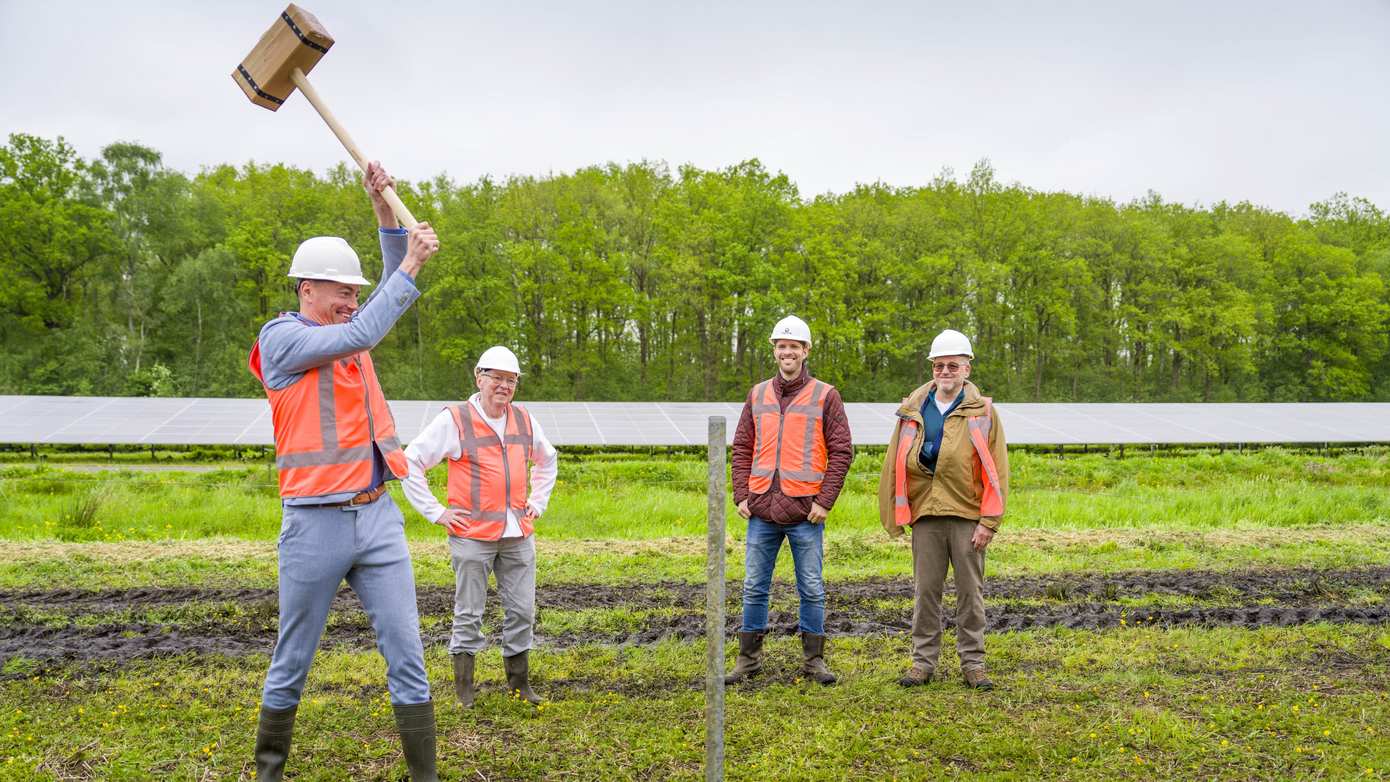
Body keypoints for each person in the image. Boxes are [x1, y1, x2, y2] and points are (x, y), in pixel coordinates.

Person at [247, 163, 440, 781]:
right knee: (293, 658)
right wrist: (410, 265)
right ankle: (270, 769)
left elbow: (378, 300)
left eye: (356, 292)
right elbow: (372, 317)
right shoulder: (282, 340)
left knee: (407, 653)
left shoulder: (350, 333)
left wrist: (384, 208)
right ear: (307, 289)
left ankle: (425, 776)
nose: (352, 302)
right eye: (341, 292)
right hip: (314, 525)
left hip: (377, 517)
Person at [401, 345, 558, 708]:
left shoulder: (524, 420)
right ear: (479, 377)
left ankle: (519, 684)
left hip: (517, 533)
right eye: (497, 378)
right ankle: (464, 691)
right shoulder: (454, 419)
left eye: (511, 380)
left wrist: (537, 503)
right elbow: (410, 462)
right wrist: (436, 512)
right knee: (469, 611)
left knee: (522, 610)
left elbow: (548, 461)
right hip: (472, 536)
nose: (504, 386)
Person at [725, 315, 854, 685]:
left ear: (805, 351)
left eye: (794, 346)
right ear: (774, 350)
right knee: (753, 586)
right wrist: (741, 493)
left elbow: (842, 451)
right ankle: (748, 661)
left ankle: (814, 662)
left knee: (811, 586)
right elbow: (743, 448)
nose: (787, 352)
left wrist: (825, 502)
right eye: (781, 346)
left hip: (805, 512)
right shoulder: (757, 393)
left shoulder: (826, 395)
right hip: (761, 508)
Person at [877, 329, 1008, 691]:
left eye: (953, 365)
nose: (945, 371)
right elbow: (894, 463)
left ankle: (973, 664)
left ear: (966, 368)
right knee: (925, 593)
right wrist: (895, 512)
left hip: (968, 516)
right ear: (932, 368)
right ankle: (922, 663)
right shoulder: (912, 410)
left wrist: (989, 522)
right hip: (926, 515)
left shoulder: (982, 412)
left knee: (970, 594)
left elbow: (996, 470)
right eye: (939, 365)